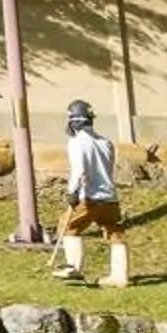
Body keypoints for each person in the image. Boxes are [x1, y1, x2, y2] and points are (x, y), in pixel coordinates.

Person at [54, 99, 129, 288]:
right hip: (110, 197)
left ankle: (74, 268)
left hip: (90, 196)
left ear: (74, 121)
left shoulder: (77, 142)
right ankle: (120, 277)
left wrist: (72, 192)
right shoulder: (106, 143)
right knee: (114, 232)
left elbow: (79, 170)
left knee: (69, 226)